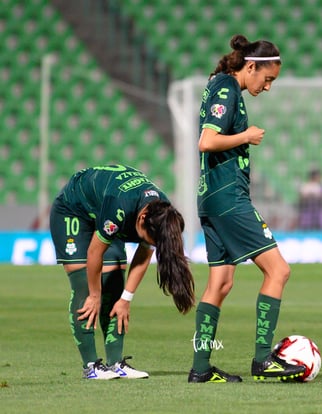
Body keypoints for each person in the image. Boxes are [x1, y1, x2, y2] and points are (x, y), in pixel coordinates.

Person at [188, 34, 306, 383]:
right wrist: (246, 136)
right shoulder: (226, 87)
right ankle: (262, 360)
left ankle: (200, 368)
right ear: (250, 66)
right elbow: (207, 141)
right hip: (228, 199)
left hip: (210, 198)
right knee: (278, 271)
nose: (267, 87)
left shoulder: (220, 86)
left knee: (221, 283)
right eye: (267, 79)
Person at [50, 164, 195, 380]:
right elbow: (94, 253)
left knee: (116, 276)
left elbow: (145, 252)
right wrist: (94, 295)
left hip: (104, 209)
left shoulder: (162, 214)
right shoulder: (119, 208)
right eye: (145, 238)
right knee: (84, 288)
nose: (146, 242)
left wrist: (127, 298)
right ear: (142, 218)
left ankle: (115, 363)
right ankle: (90, 367)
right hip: (74, 210)